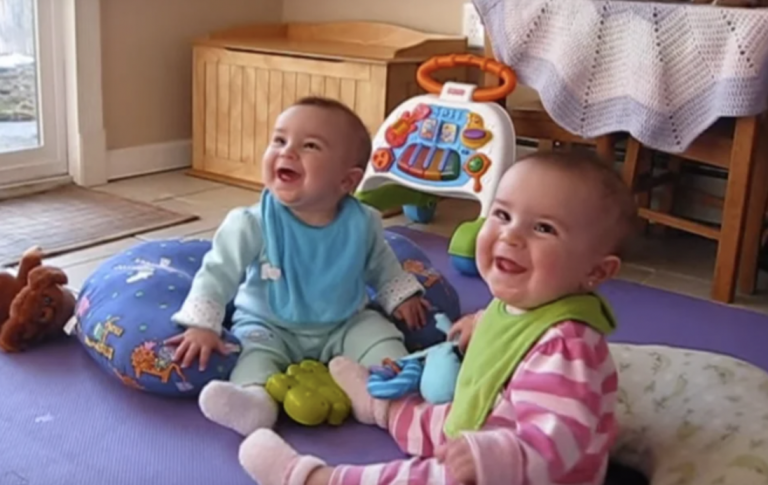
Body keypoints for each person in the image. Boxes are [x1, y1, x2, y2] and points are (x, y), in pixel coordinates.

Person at [237, 149, 639, 485]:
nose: (511, 236)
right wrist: (480, 324)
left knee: (430, 478)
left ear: (596, 272)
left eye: (545, 228)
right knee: (438, 418)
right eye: (502, 215)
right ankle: (381, 408)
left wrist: (489, 457)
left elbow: (560, 438)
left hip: (523, 471)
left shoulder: (568, 347)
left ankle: (314, 478)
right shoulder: (529, 304)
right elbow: (510, 328)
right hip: (485, 427)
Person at [167, 96, 429, 436]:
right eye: (279, 140)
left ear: (347, 181)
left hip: (345, 321)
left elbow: (382, 264)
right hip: (269, 323)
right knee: (251, 350)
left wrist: (402, 295)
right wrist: (203, 325)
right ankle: (253, 400)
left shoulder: (362, 223)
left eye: (309, 146)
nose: (286, 152)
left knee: (381, 337)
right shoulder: (252, 224)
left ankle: (376, 393)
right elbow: (217, 272)